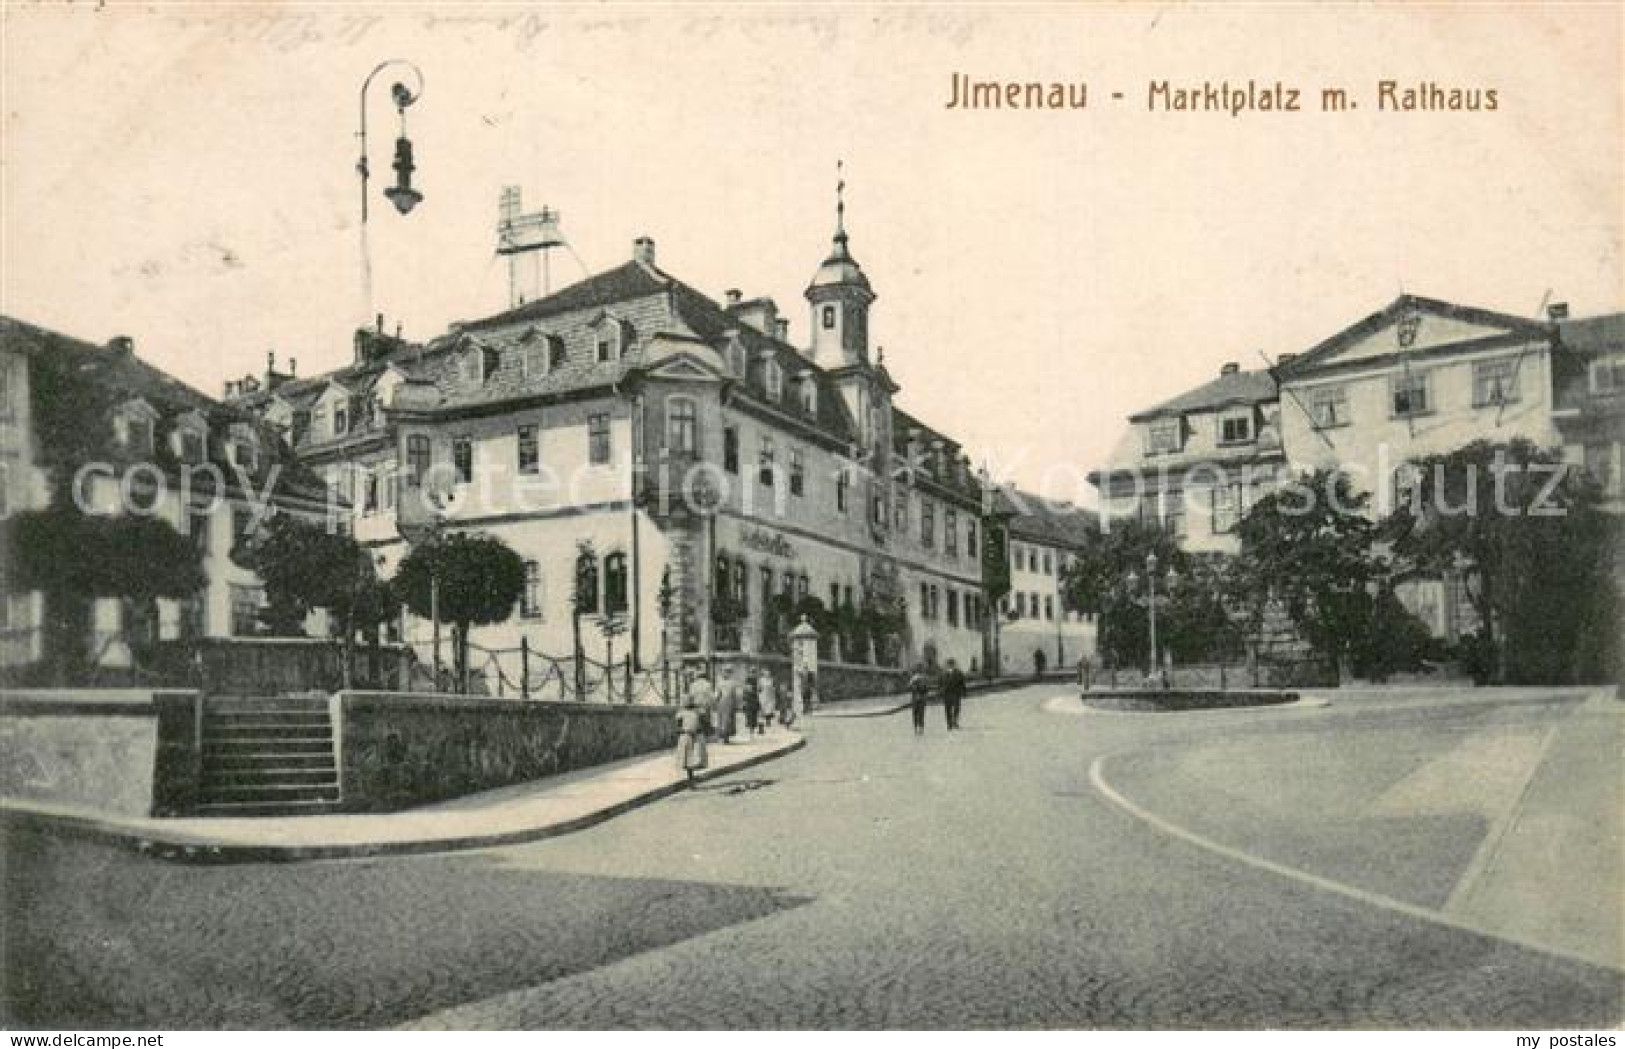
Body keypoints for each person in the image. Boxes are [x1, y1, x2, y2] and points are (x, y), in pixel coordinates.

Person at [674, 696, 708, 783]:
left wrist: (699, 730)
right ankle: (690, 779)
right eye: (685, 702)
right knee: (687, 758)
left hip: (697, 738)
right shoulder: (681, 713)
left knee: (696, 757)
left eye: (689, 701)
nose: (687, 703)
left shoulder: (698, 712)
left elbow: (705, 724)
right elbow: (677, 728)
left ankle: (693, 778)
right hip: (686, 737)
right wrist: (685, 730)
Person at [714, 665, 739, 743]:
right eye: (725, 672)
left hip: (726, 702)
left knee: (726, 719)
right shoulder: (730, 682)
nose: (725, 674)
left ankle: (725, 736)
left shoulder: (727, 683)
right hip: (725, 702)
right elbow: (718, 694)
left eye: (727, 672)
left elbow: (734, 694)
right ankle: (725, 736)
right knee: (725, 719)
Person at [941, 657, 966, 730]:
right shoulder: (943, 674)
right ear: (947, 665)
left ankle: (955, 721)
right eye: (949, 664)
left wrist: (963, 692)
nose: (950, 665)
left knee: (956, 708)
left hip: (956, 693)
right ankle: (949, 724)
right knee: (948, 709)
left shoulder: (958, 673)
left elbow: (962, 683)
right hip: (947, 694)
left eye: (952, 664)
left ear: (954, 665)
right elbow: (939, 683)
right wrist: (941, 690)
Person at [908, 664, 930, 736]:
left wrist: (922, 691)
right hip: (915, 699)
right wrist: (912, 684)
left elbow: (926, 688)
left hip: (921, 698)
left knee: (921, 714)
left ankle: (920, 728)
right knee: (915, 714)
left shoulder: (924, 678)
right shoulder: (913, 678)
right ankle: (916, 728)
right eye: (918, 669)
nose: (918, 671)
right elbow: (909, 687)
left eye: (919, 669)